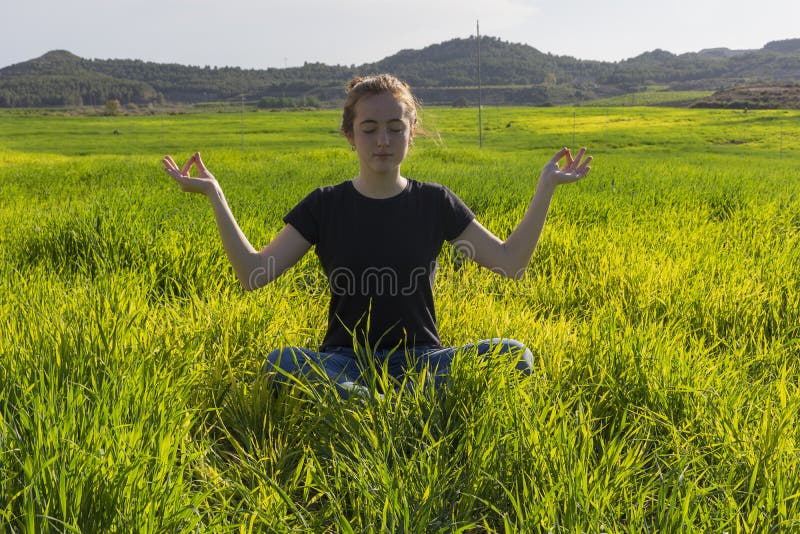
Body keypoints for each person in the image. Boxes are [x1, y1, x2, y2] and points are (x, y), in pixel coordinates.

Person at [162, 74, 592, 397]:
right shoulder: (325, 206)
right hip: (344, 360)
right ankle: (376, 400)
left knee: (516, 355)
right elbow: (255, 273)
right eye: (369, 129)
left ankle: (372, 403)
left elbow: (509, 263)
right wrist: (215, 194)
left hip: (422, 359)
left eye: (394, 127)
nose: (382, 140)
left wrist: (545, 188)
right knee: (282, 362)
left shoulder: (434, 204)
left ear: (411, 131)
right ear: (350, 136)